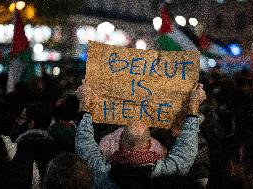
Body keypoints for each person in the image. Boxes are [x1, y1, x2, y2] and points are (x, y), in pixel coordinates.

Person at [75, 81, 206, 189]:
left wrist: (84, 104)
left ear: (121, 143)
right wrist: (193, 106)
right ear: (150, 144)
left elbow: (84, 144)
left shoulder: (100, 174)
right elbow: (186, 149)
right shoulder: (167, 173)